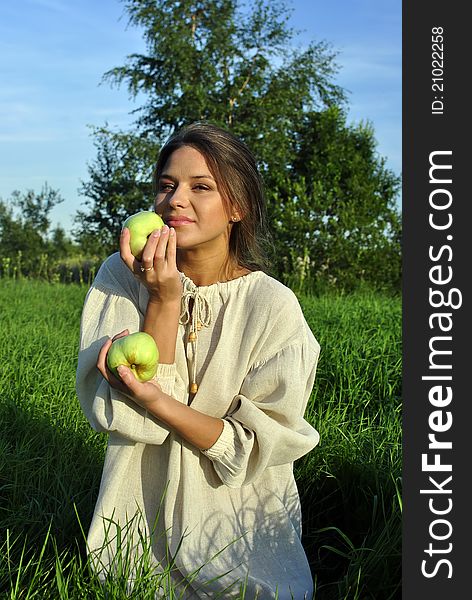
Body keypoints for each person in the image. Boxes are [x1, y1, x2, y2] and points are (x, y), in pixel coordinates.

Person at [76, 122, 321, 599]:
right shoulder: (121, 277)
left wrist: (159, 402)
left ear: (237, 207)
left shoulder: (273, 306)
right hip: (137, 522)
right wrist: (163, 301)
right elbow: (130, 424)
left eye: (200, 187)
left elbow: (251, 449)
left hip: (240, 525)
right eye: (166, 186)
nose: (175, 200)